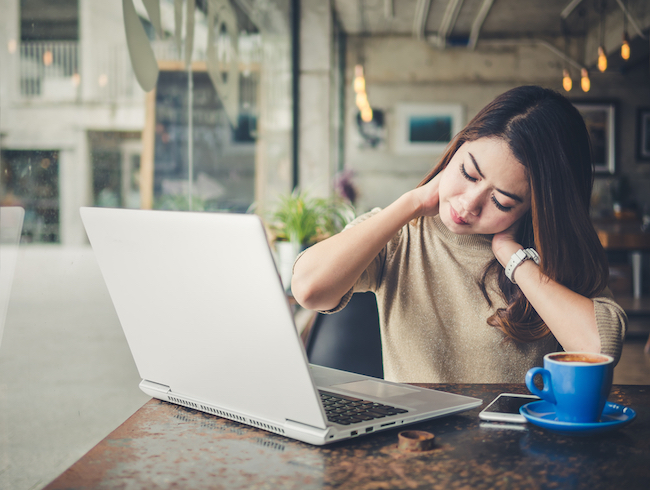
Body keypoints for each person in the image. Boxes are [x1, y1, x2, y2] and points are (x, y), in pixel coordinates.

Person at [291, 85, 627, 383]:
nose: (469, 204)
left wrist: (514, 259)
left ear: (535, 209)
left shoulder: (549, 257)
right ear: (457, 147)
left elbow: (599, 349)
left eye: (502, 201)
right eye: (468, 173)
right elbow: (309, 289)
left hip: (515, 450)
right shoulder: (403, 234)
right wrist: (412, 201)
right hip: (416, 445)